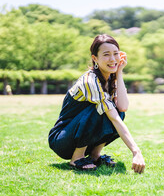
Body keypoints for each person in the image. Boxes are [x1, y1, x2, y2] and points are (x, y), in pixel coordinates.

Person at [48, 34, 145, 174]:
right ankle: (77, 158)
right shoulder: (90, 80)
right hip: (62, 139)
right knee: (101, 110)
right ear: (95, 59)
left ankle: (95, 156)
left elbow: (123, 107)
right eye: (106, 54)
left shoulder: (110, 77)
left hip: (77, 135)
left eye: (116, 54)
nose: (112, 59)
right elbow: (114, 118)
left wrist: (119, 72)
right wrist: (136, 151)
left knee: (116, 110)